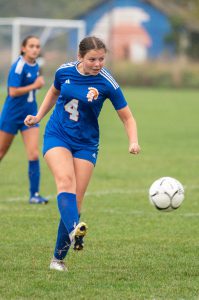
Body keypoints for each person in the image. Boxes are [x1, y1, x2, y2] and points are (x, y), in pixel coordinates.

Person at [24, 36, 141, 271]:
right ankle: (74, 230)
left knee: (76, 201)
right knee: (65, 181)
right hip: (58, 134)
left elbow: (127, 117)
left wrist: (133, 141)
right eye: (92, 60)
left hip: (86, 143)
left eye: (101, 59)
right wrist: (38, 117)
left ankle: (58, 259)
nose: (98, 64)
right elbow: (53, 93)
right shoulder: (64, 71)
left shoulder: (107, 82)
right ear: (80, 57)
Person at [0, 35, 48, 204]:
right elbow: (12, 92)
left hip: (30, 115)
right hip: (12, 115)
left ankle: (34, 195)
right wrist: (35, 86)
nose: (35, 49)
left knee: (34, 154)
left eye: (37, 46)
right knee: (1, 152)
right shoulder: (18, 67)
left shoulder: (37, 66)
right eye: (32, 46)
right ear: (23, 48)